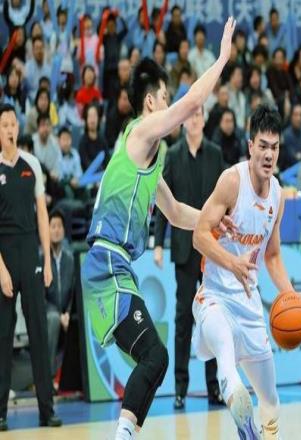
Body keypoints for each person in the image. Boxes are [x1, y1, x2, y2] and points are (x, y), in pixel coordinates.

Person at [80, 17, 236, 440]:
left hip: (115, 267)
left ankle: (127, 431)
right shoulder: (140, 131)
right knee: (155, 355)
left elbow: (176, 212)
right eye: (166, 98)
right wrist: (222, 59)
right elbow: (191, 103)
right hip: (107, 262)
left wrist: (213, 220)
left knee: (157, 358)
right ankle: (122, 434)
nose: (172, 106)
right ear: (151, 103)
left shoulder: (149, 156)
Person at [192, 105, 290, 439]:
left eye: (274, 147)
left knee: (271, 400)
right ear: (250, 146)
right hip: (214, 297)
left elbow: (272, 256)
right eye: (262, 146)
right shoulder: (232, 181)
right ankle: (246, 429)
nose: (269, 154)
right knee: (225, 359)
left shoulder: (278, 195)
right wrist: (232, 263)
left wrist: (290, 294)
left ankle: (264, 432)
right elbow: (199, 235)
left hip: (249, 304)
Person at [153, 107, 226, 409]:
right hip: (184, 250)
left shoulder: (216, 154)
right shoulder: (172, 156)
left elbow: (225, 200)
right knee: (183, 319)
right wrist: (158, 243)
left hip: (211, 248)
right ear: (183, 122)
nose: (194, 120)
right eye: (190, 116)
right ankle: (180, 388)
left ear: (204, 120)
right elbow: (164, 204)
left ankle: (214, 388)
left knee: (213, 318)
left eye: (198, 115)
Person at [0, 103, 62, 431]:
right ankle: (0, 412)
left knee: (38, 331)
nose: (10, 129)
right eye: (4, 125)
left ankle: (46, 410)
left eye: (13, 124)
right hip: (4, 256)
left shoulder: (32, 164)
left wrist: (47, 260)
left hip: (30, 253)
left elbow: (42, 214)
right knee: (3, 335)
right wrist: (1, 269)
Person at [46, 210, 74, 376]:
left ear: (64, 230)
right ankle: (48, 376)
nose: (56, 230)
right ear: (47, 230)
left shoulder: (70, 259)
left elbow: (73, 293)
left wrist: (68, 313)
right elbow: (39, 297)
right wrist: (58, 314)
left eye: (59, 226)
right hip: (48, 313)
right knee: (54, 319)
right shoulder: (41, 259)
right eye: (53, 226)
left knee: (76, 320)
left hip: (65, 313)